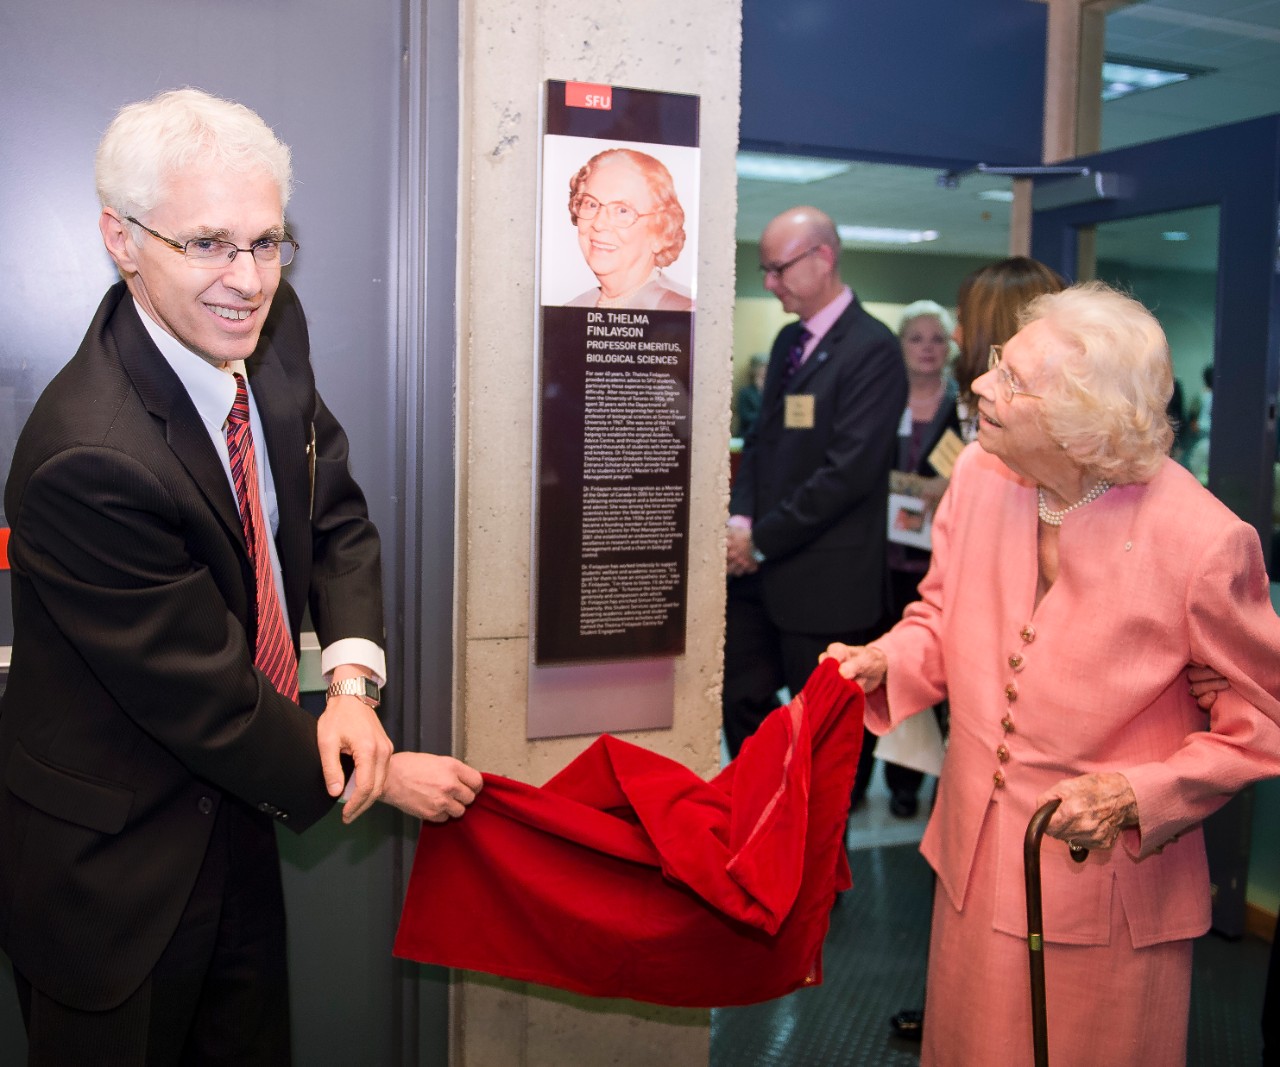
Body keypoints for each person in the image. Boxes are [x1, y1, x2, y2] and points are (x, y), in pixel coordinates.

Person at [0, 88, 482, 1064]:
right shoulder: (87, 454)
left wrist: (351, 682)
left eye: (267, 242)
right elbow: (206, 695)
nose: (249, 279)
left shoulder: (271, 325)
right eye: (209, 243)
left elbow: (331, 505)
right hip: (114, 878)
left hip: (241, 823)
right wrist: (381, 771)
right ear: (121, 238)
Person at [825, 281, 1280, 1067]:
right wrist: (883, 658)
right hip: (971, 862)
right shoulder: (978, 476)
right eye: (999, 363)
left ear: (1081, 423)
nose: (980, 385)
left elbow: (1262, 719)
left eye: (1011, 381)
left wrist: (1138, 794)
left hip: (1107, 895)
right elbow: (940, 616)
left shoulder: (1203, 539)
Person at [722, 205, 905, 758]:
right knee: (739, 700)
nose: (770, 283)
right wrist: (741, 522)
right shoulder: (787, 343)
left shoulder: (872, 349)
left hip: (827, 586)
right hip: (759, 577)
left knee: (826, 743)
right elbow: (759, 443)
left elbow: (847, 475)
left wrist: (759, 541)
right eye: (766, 271)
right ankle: (760, 824)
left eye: (778, 269)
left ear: (823, 258)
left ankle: (817, 845)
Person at [850, 301, 962, 819]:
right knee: (872, 668)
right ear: (900, 346)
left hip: (936, 568)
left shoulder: (965, 411)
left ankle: (905, 782)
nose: (926, 348)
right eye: (916, 338)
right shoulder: (879, 401)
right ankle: (856, 780)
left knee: (924, 675)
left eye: (936, 339)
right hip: (875, 564)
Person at [951, 256, 1066, 443]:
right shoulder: (967, 398)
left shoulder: (1047, 425)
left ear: (991, 330)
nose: (954, 335)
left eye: (962, 322)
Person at [564, 147, 693, 311]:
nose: (599, 224)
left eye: (622, 210)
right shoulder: (571, 309)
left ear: (659, 232)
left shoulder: (683, 312)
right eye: (591, 204)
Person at [733, 353, 768, 439]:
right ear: (754, 370)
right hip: (748, 434)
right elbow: (745, 416)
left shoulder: (771, 391)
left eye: (766, 367)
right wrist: (764, 417)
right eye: (761, 367)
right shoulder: (745, 392)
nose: (764, 370)